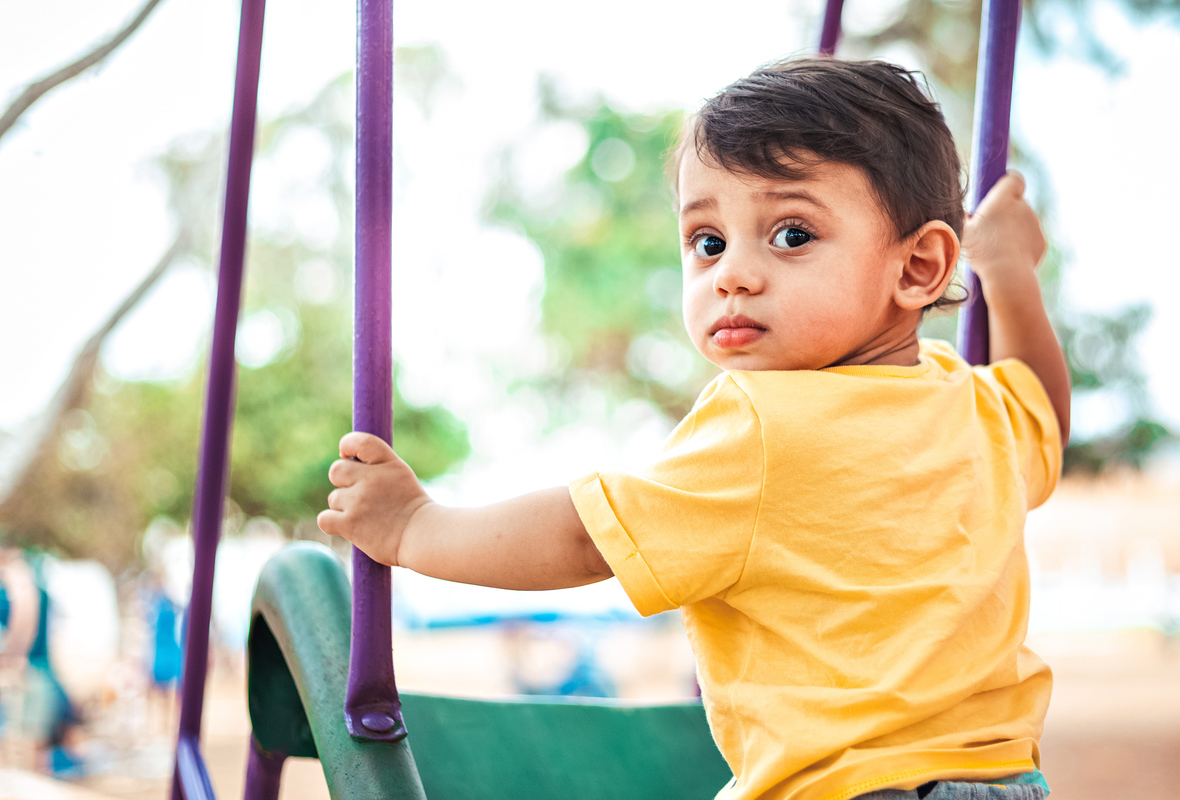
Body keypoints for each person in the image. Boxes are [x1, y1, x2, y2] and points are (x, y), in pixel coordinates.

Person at [318, 57, 1070, 800]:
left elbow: (588, 537)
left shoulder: (763, 423)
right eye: (707, 241)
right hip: (1008, 780)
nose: (732, 273)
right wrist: (1010, 275)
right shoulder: (976, 407)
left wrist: (416, 527)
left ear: (918, 267)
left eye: (792, 234)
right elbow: (1045, 413)